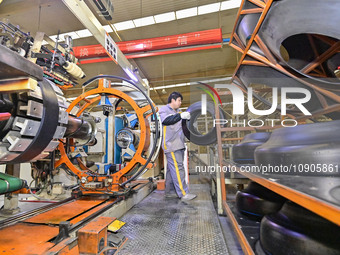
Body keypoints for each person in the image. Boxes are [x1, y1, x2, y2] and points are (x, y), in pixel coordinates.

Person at [159, 92, 197, 201]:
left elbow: (185, 128)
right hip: (171, 145)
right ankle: (183, 193)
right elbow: (166, 121)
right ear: (173, 100)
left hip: (179, 144)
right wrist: (180, 116)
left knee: (172, 171)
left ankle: (171, 192)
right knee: (178, 169)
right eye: (179, 100)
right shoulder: (164, 110)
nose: (180, 103)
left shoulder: (179, 112)